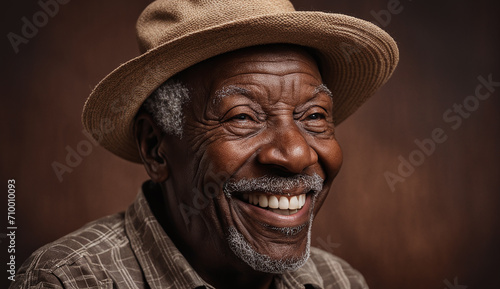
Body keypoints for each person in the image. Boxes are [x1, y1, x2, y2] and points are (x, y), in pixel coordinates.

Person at [10, 0, 398, 288]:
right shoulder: (67, 281)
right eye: (243, 117)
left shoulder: (339, 281)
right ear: (155, 148)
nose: (296, 154)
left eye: (314, 116)